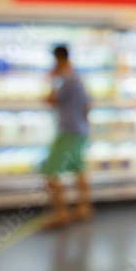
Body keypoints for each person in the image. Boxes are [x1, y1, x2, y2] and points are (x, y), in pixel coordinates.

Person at [42, 45, 92, 228]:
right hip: (80, 129)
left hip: (68, 130)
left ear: (57, 59)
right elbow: (88, 104)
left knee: (51, 171)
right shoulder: (77, 77)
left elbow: (51, 100)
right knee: (79, 169)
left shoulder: (65, 79)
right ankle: (84, 209)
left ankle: (60, 213)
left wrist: (51, 79)